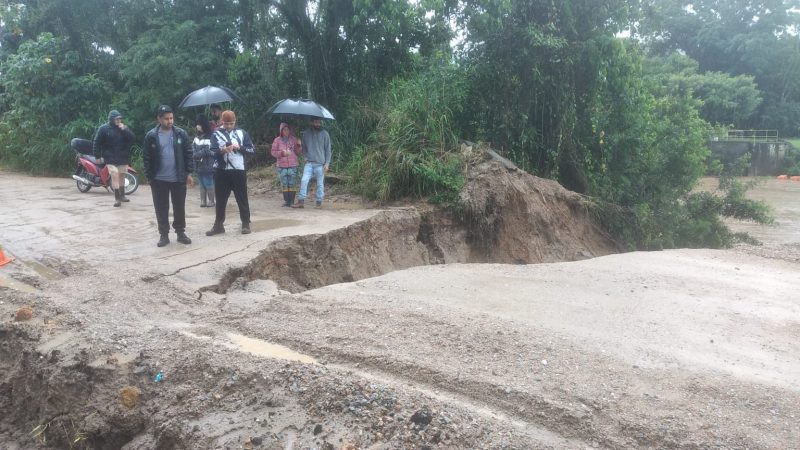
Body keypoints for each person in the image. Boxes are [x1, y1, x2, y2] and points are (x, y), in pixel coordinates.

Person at [143, 105, 195, 247]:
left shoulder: (180, 134)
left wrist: (189, 173)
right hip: (159, 179)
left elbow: (188, 153)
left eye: (171, 118)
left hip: (178, 178)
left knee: (179, 206)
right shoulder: (151, 136)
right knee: (161, 207)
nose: (170, 121)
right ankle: (164, 235)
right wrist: (149, 176)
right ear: (159, 119)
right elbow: (146, 157)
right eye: (166, 119)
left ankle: (180, 232)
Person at [206, 110, 256, 236]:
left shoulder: (242, 133)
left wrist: (239, 148)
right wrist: (222, 150)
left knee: (242, 198)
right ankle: (218, 225)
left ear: (235, 122)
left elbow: (251, 150)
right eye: (226, 124)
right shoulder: (216, 134)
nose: (228, 126)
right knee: (221, 199)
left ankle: (245, 223)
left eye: (231, 124)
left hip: (238, 170)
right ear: (222, 122)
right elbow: (211, 152)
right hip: (221, 171)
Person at [92, 109, 135, 207]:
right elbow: (96, 142)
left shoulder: (124, 128)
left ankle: (123, 195)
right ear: (111, 119)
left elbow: (132, 138)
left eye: (120, 119)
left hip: (122, 157)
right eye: (116, 119)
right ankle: (117, 198)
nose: (118, 121)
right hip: (110, 157)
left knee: (122, 176)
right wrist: (97, 156)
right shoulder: (103, 129)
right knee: (114, 175)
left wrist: (124, 129)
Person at [293, 117, 332, 209]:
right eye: (315, 122)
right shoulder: (306, 133)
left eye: (319, 122)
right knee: (304, 180)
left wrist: (327, 164)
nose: (317, 124)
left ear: (321, 122)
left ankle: (319, 203)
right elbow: (304, 148)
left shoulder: (325, 134)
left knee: (320, 184)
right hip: (309, 163)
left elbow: (328, 150)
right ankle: (301, 201)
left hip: (320, 164)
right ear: (312, 122)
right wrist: (305, 157)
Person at [270, 123, 302, 207]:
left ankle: (291, 201)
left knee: (292, 183)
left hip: (293, 164)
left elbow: (298, 153)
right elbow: (273, 152)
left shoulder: (293, 139)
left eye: (287, 129)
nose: (286, 131)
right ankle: (286, 201)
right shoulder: (277, 140)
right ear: (281, 131)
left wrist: (299, 145)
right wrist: (282, 153)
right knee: (284, 183)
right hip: (281, 165)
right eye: (284, 130)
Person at [192, 115, 216, 208]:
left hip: (208, 164)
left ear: (203, 125)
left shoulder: (211, 136)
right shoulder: (196, 137)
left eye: (199, 124)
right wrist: (195, 153)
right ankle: (203, 201)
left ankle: (211, 201)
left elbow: (209, 150)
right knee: (201, 183)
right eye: (197, 124)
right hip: (198, 165)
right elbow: (193, 147)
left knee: (208, 182)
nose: (197, 126)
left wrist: (198, 153)